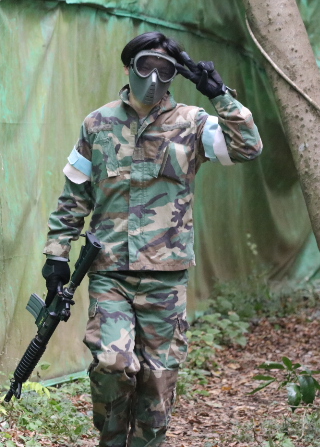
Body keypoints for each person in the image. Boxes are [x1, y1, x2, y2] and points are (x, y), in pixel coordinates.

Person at [41, 31, 262, 447]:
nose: (155, 78)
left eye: (166, 69)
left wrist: (219, 95)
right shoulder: (98, 124)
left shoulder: (193, 123)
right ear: (130, 67)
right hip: (110, 272)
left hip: (165, 275)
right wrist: (57, 253)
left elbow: (248, 147)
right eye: (147, 66)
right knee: (112, 364)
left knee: (158, 381)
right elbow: (74, 195)